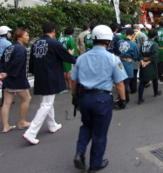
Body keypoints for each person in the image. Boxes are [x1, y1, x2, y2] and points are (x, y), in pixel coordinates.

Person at [71, 25, 127, 172]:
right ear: (108, 41)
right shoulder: (113, 59)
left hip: (84, 98)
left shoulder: (81, 58)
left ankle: (80, 152)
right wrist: (123, 100)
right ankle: (95, 163)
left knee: (86, 125)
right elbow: (119, 83)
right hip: (102, 99)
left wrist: (74, 95)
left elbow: (73, 80)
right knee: (100, 131)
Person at [23, 22, 76, 145]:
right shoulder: (54, 43)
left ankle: (52, 125)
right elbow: (66, 56)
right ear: (53, 31)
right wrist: (72, 56)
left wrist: (33, 71)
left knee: (46, 102)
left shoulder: (36, 43)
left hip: (39, 75)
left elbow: (31, 60)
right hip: (50, 76)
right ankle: (31, 132)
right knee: (46, 104)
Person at [0, 29, 32, 133]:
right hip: (17, 79)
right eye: (26, 35)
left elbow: (1, 62)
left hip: (7, 78)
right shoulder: (21, 49)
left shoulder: (9, 47)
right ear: (19, 37)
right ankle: (21, 122)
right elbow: (16, 64)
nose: (28, 37)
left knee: (6, 103)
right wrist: (8, 73)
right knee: (27, 98)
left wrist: (3, 73)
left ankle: (5, 126)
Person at [138, 29, 161, 105]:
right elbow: (155, 55)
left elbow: (140, 53)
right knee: (155, 77)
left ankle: (140, 98)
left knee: (142, 80)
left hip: (143, 63)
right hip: (150, 63)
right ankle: (156, 92)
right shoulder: (154, 44)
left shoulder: (143, 43)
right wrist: (147, 62)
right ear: (155, 35)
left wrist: (142, 61)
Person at [117, 28, 139, 102]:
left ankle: (126, 98)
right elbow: (136, 56)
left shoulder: (119, 42)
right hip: (128, 63)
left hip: (119, 62)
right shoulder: (133, 44)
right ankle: (120, 98)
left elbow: (117, 51)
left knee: (121, 80)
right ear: (133, 35)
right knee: (126, 82)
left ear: (125, 34)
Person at [57, 27, 78, 91]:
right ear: (72, 33)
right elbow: (73, 50)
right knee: (67, 72)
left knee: (61, 71)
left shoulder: (59, 38)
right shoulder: (70, 40)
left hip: (58, 56)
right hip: (66, 56)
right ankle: (69, 85)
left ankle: (61, 85)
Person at [129, 24, 147, 94]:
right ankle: (145, 83)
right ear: (139, 28)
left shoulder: (129, 34)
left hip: (130, 55)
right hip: (140, 54)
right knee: (142, 69)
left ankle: (133, 87)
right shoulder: (141, 34)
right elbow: (146, 43)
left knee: (133, 71)